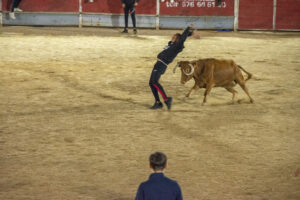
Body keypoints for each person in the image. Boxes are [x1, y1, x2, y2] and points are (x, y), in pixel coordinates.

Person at [149, 24, 196, 110]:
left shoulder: (177, 46)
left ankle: (166, 99)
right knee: (151, 83)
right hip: (158, 64)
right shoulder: (171, 44)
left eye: (174, 36)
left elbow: (182, 38)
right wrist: (190, 34)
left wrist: (188, 28)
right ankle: (158, 102)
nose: (172, 37)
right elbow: (182, 37)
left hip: (161, 65)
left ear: (177, 39)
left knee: (154, 82)